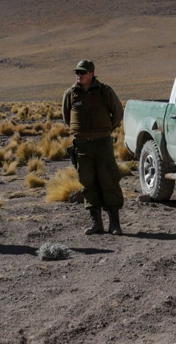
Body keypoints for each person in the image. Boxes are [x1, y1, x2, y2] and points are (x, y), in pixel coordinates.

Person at [62, 59, 125, 235]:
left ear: (91, 73)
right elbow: (67, 117)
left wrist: (105, 130)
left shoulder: (105, 91)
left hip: (102, 143)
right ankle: (96, 223)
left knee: (109, 180)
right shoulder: (70, 94)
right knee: (87, 182)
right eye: (77, 72)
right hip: (81, 145)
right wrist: (81, 132)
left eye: (82, 72)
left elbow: (118, 113)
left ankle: (115, 224)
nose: (79, 75)